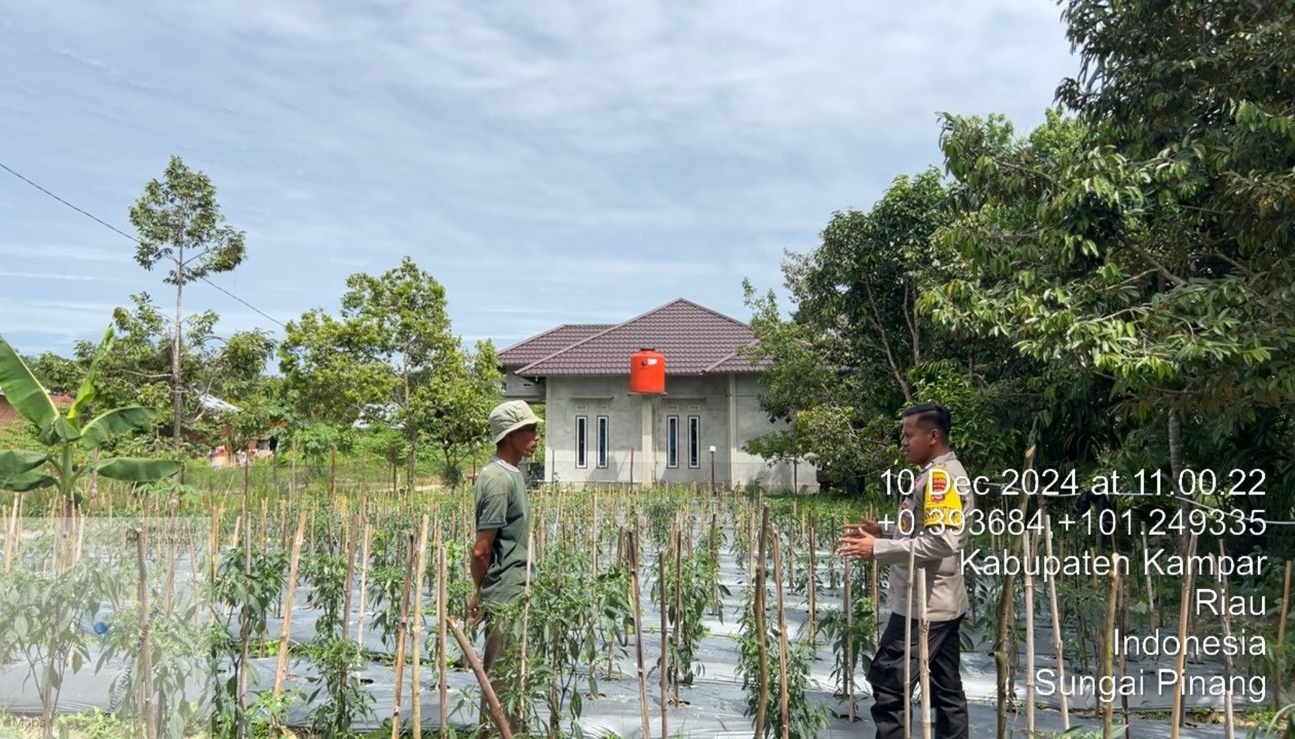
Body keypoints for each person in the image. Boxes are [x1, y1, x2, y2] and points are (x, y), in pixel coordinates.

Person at [838, 403, 972, 739]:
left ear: (933, 436)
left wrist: (879, 549)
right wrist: (884, 532)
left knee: (890, 687)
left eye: (909, 435)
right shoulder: (935, 474)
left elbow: (942, 542)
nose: (903, 442)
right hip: (938, 601)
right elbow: (925, 532)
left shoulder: (940, 479)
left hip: (924, 605)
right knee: (946, 690)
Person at [469, 399, 541, 736]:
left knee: (515, 671)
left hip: (518, 588)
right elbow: (482, 548)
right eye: (529, 429)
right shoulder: (497, 479)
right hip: (505, 592)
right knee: (501, 675)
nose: (536, 435)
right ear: (509, 435)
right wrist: (477, 591)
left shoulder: (513, 474)